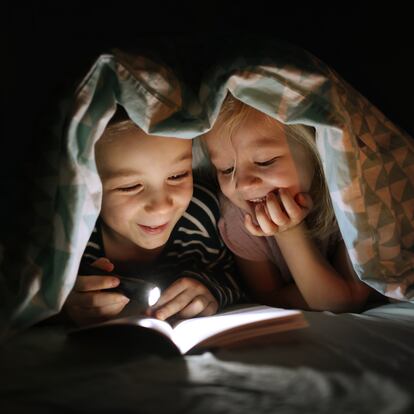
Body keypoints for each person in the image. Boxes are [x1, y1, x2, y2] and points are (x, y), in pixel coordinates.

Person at [64, 106, 243, 326]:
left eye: (177, 176)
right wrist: (64, 304)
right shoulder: (71, 238)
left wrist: (211, 289)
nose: (161, 207)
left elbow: (239, 277)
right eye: (130, 187)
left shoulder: (204, 216)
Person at [202, 94, 380, 313]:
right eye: (226, 169)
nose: (243, 185)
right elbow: (270, 297)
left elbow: (347, 299)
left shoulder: (353, 197)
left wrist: (288, 232)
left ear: (315, 150)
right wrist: (287, 231)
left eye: (264, 161)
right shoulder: (239, 217)